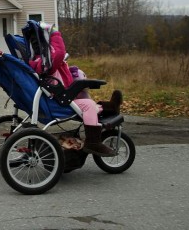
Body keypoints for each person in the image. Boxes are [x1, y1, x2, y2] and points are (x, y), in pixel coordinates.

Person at [28, 22, 121, 157]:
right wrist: (54, 33)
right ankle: (93, 142)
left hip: (59, 95)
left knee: (83, 97)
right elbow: (59, 52)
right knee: (88, 105)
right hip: (60, 100)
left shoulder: (38, 61)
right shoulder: (46, 63)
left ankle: (110, 107)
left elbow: (59, 56)